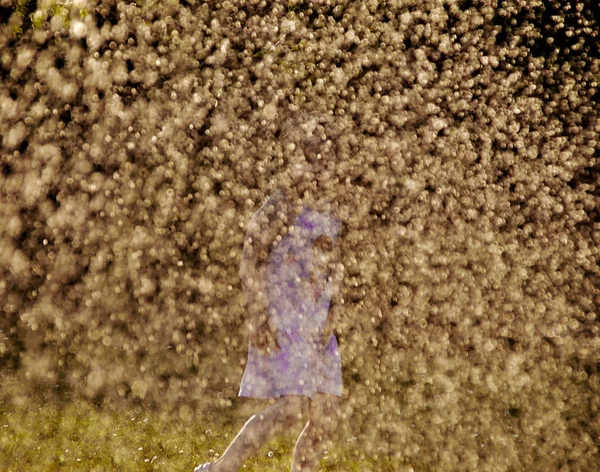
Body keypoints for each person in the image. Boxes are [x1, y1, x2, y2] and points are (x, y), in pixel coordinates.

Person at [194, 114, 345, 472]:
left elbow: (336, 270)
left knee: (325, 416)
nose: (316, 165)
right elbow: (250, 259)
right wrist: (258, 316)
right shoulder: (280, 207)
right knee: (292, 409)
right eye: (307, 157)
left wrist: (335, 316)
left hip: (319, 328)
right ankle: (221, 469)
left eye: (324, 156)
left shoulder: (332, 212)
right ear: (290, 160)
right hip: (284, 322)